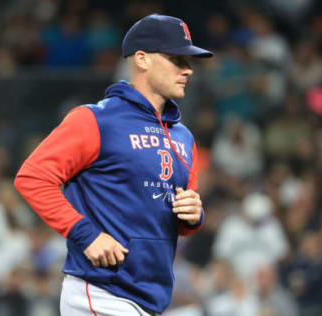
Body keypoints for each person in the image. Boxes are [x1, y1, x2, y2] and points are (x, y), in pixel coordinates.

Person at [14, 13, 213, 316]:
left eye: (189, 62)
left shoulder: (183, 136)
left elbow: (176, 219)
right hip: (102, 291)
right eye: (177, 59)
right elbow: (32, 177)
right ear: (142, 60)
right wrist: (86, 234)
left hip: (150, 296)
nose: (188, 70)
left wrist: (193, 214)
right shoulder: (96, 120)